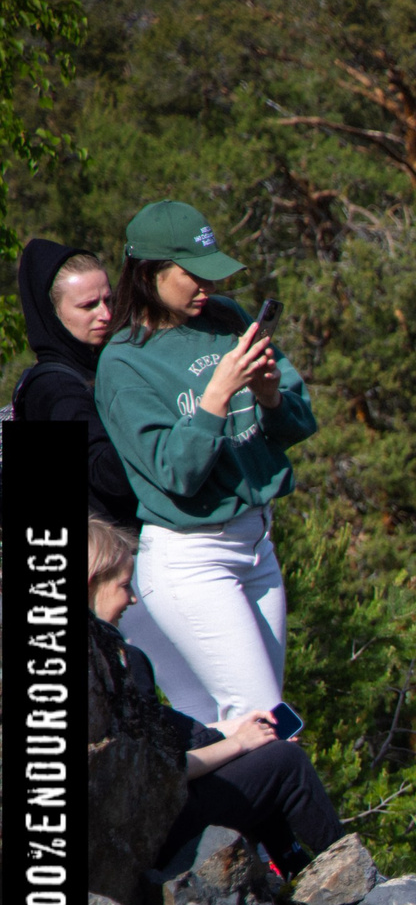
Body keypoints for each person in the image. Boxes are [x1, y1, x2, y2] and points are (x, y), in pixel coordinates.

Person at [95, 200, 317, 726]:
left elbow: (299, 424)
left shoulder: (228, 320)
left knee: (243, 725)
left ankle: (218, 811)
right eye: (193, 277)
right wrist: (216, 399)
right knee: (263, 724)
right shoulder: (124, 361)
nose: (207, 289)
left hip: (256, 544)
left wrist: (268, 396)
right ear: (149, 273)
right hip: (194, 558)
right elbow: (176, 472)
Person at [88, 518, 346, 875]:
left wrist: (235, 728)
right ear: (92, 584)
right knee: (286, 763)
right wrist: (239, 743)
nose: (132, 598)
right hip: (154, 823)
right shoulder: (120, 661)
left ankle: (294, 868)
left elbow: (156, 741)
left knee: (251, 749)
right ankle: (348, 876)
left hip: (121, 823)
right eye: (123, 586)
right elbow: (163, 770)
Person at [13, 240, 141, 525]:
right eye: (88, 306)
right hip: (92, 562)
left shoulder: (92, 369)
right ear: (52, 312)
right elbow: (107, 478)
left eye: (108, 300)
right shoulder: (55, 389)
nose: (106, 315)